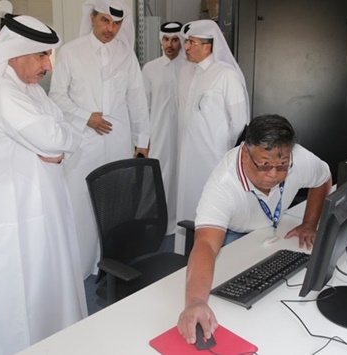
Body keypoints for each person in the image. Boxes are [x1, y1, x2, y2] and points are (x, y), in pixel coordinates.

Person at [0, 15, 87, 355]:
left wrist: (58, 145)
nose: (48, 64)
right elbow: (55, 136)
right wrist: (57, 144)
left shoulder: (27, 89)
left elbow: (64, 131)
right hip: (14, 222)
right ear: (15, 52)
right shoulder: (2, 91)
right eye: (41, 55)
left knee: (45, 298)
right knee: (20, 310)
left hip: (36, 213)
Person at [176, 114, 332, 344]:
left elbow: (323, 177)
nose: (273, 174)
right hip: (234, 235)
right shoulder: (223, 184)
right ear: (245, 152)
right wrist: (195, 302)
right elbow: (207, 244)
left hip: (272, 233)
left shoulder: (296, 158)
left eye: (282, 166)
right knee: (234, 306)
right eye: (264, 164)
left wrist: (309, 222)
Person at [49, 0, 150, 278]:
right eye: (105, 21)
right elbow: (56, 96)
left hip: (117, 142)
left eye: (117, 23)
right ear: (92, 18)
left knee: (116, 203)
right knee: (82, 203)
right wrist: (85, 116)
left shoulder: (126, 54)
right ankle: (82, 266)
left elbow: (137, 99)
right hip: (82, 141)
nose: (111, 29)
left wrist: (142, 139)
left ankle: (111, 262)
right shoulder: (71, 52)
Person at [175, 19, 250, 236]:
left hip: (213, 157)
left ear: (208, 46)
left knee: (211, 205)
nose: (186, 47)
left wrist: (221, 148)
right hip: (187, 156)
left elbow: (239, 122)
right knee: (188, 201)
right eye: (186, 41)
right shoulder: (186, 72)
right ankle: (186, 251)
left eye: (192, 42)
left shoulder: (226, 75)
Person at [142, 21, 185, 235]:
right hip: (158, 133)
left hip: (184, 135)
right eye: (166, 40)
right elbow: (144, 106)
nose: (170, 44)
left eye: (175, 40)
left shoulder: (190, 67)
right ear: (161, 41)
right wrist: (143, 140)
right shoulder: (150, 68)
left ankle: (181, 221)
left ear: (182, 42)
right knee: (158, 176)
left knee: (181, 175)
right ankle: (155, 224)